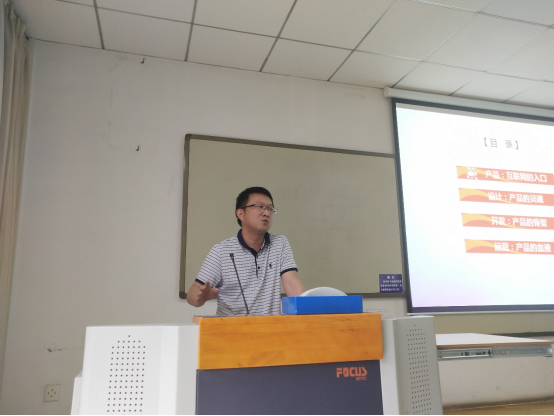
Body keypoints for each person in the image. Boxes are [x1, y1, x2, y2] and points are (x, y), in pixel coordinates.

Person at [187, 187, 305, 315]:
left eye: (270, 208)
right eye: (260, 207)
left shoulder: (280, 243)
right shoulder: (221, 251)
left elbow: (292, 284)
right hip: (231, 326)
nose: (267, 213)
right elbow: (192, 295)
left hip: (269, 326)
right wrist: (201, 297)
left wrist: (308, 308)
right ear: (240, 214)